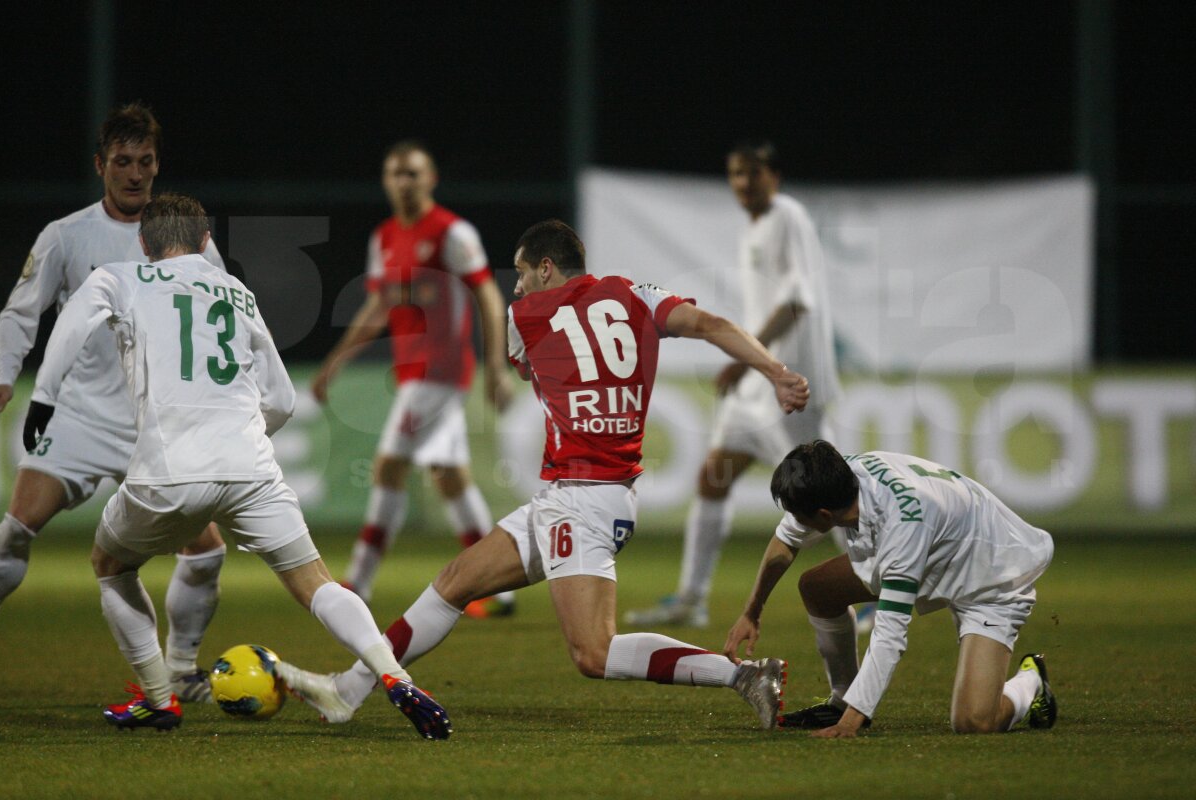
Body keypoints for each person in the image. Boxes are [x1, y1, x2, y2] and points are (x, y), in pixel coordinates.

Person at [277, 220, 809, 729]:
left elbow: (526, 364)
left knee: (593, 653)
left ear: (547, 267)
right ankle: (349, 690)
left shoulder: (525, 317)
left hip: (582, 500)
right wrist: (777, 373)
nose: (519, 283)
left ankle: (741, 675)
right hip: (585, 495)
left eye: (524, 271)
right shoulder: (636, 295)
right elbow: (710, 325)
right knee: (452, 585)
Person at [23, 194, 450, 739]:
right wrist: (241, 438)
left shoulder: (118, 276)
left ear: (143, 243)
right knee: (316, 583)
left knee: (111, 566)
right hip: (251, 469)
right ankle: (394, 677)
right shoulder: (236, 291)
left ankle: (160, 698)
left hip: (167, 472)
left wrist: (44, 397)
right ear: (204, 242)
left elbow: (71, 327)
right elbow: (282, 399)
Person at [0, 103, 226, 701]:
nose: (134, 174)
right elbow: (21, 315)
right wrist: (1, 373)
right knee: (14, 533)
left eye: (144, 162)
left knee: (204, 555)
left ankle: (180, 668)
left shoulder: (187, 239)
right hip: (76, 416)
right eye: (122, 162)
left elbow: (220, 314)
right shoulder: (66, 236)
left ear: (157, 166)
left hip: (156, 424)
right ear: (101, 165)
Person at [626, 140, 851, 631]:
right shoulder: (758, 226)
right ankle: (692, 598)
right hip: (761, 386)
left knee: (825, 493)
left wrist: (750, 363)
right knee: (713, 477)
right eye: (735, 174)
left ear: (774, 175)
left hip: (790, 383)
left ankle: (874, 584)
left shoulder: (787, 216)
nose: (742, 184)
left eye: (751, 173)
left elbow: (797, 301)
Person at [723, 440, 1058, 736]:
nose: (794, 520)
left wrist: (852, 723)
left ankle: (1030, 682)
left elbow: (890, 633)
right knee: (818, 588)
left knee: (974, 722)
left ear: (824, 516)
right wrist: (752, 612)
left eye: (798, 513)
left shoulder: (903, 525)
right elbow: (785, 544)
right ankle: (841, 699)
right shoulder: (841, 477)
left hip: (992, 574)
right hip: (937, 551)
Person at [311, 140, 515, 616]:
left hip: (440, 371)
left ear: (431, 179)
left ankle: (358, 581)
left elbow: (487, 295)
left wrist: (496, 366)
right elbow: (378, 307)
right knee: (450, 479)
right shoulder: (384, 237)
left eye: (413, 174)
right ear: (385, 181)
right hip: (413, 373)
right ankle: (499, 588)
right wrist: (334, 362)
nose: (404, 183)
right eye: (395, 174)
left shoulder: (451, 232)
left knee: (388, 468)